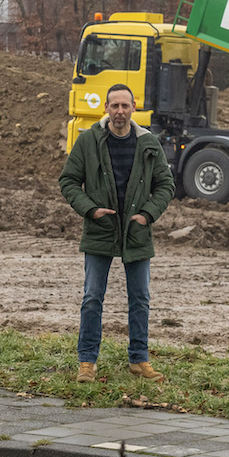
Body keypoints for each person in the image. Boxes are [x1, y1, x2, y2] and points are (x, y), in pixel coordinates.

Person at [58, 84, 175, 382]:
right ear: (106, 109)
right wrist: (90, 210)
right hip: (100, 230)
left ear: (134, 107)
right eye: (115, 106)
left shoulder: (148, 142)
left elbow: (166, 185)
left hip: (136, 232)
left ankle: (138, 360)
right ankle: (87, 362)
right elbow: (69, 180)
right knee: (92, 298)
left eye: (125, 105)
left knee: (140, 299)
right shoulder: (88, 142)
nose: (120, 111)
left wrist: (147, 215)